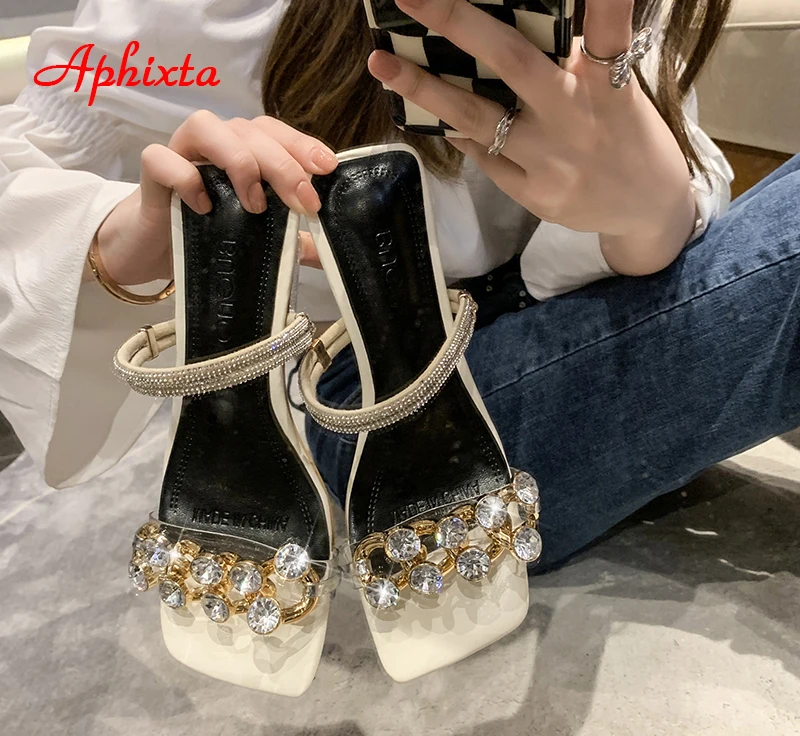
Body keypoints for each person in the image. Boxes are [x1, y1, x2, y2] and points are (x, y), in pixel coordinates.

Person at [0, 0, 797, 569]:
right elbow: (28, 159)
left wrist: (653, 213)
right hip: (382, 399)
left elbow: (663, 195)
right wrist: (118, 240)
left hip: (575, 311)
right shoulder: (208, 17)